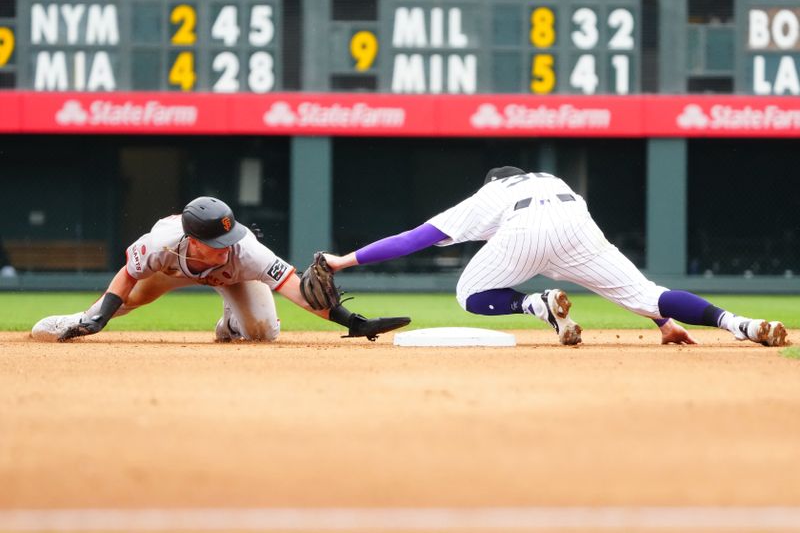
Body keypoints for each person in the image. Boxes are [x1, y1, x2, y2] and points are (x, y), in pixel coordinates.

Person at [321, 166, 788, 347]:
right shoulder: (549, 179)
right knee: (651, 294)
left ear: (492, 182)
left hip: (523, 233)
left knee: (468, 292)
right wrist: (659, 321)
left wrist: (344, 261)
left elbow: (413, 240)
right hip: (575, 223)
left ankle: (534, 304)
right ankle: (740, 325)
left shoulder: (489, 194)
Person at [31, 197, 409, 342]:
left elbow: (299, 289)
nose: (224, 248)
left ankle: (228, 324)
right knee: (126, 301)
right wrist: (99, 318)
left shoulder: (247, 252)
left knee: (263, 333)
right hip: (173, 271)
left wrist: (353, 322)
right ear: (192, 239)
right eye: (214, 244)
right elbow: (128, 273)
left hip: (237, 279)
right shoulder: (161, 243)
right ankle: (73, 320)